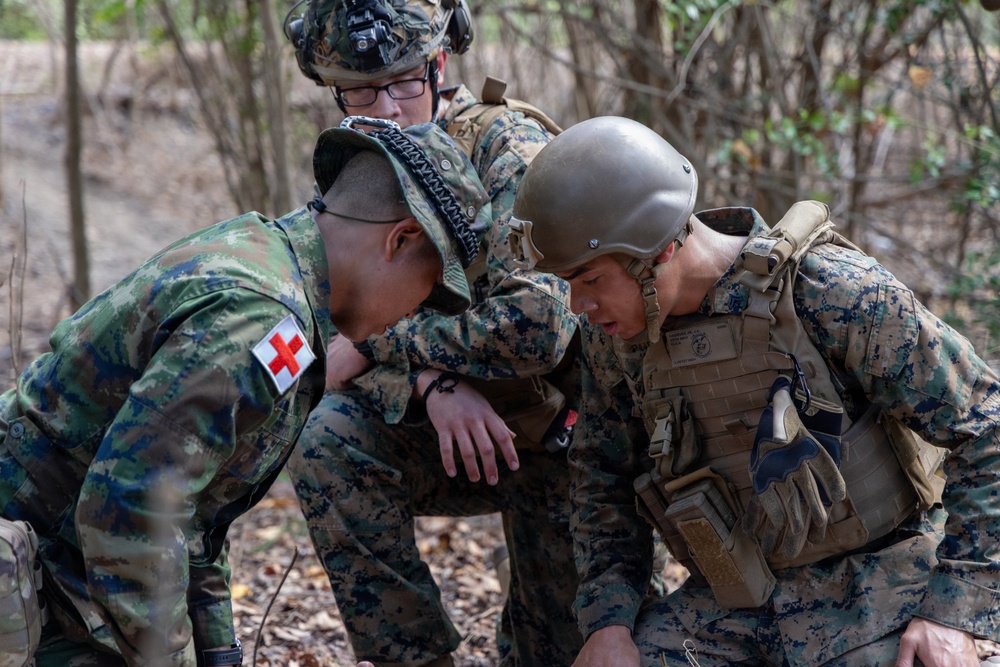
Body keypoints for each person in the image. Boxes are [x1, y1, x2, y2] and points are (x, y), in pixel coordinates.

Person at [508, 115, 1000, 667]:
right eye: (567, 284)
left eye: (591, 280)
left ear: (658, 252)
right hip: (729, 608)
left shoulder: (828, 292)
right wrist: (609, 623)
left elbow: (988, 428)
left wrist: (956, 610)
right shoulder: (617, 340)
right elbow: (603, 478)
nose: (577, 307)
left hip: (877, 590)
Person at [0, 118, 491, 667]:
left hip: (65, 570)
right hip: (37, 573)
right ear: (400, 239)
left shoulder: (268, 263)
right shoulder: (261, 317)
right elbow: (131, 505)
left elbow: (193, 512)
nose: (415, 313)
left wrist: (219, 652)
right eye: (428, 288)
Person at [283, 0, 588, 665]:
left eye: (402, 84)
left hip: (563, 442)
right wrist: (430, 383)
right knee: (328, 437)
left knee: (567, 649)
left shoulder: (507, 148)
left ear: (439, 66)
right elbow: (330, 329)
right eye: (361, 91)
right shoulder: (361, 162)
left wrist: (381, 344)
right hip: (449, 434)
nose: (386, 109)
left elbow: (540, 327)